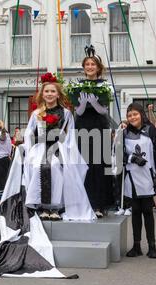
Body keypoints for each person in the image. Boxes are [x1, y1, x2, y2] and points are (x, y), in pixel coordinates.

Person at [23, 77, 95, 221]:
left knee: (56, 166)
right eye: (47, 91)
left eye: (52, 91)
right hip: (40, 147)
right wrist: (30, 146)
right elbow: (29, 132)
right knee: (38, 166)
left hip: (58, 147)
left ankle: (55, 206)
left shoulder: (66, 113)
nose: (49, 94)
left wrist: (67, 150)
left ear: (58, 94)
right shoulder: (37, 113)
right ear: (42, 94)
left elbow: (70, 134)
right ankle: (42, 206)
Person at [115, 103, 156, 258]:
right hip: (132, 176)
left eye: (135, 114)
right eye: (129, 115)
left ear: (141, 114)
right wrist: (132, 158)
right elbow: (117, 154)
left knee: (147, 211)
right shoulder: (123, 133)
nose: (132, 117)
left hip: (148, 175)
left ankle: (152, 246)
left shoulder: (150, 129)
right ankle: (136, 246)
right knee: (136, 212)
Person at [70, 45, 114, 218]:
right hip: (82, 127)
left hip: (100, 127)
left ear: (98, 68)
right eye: (87, 64)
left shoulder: (105, 85)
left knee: (100, 166)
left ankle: (99, 204)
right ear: (84, 67)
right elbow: (78, 112)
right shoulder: (76, 85)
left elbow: (104, 110)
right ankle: (84, 202)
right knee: (84, 165)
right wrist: (82, 103)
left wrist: (95, 103)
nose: (89, 67)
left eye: (92, 64)